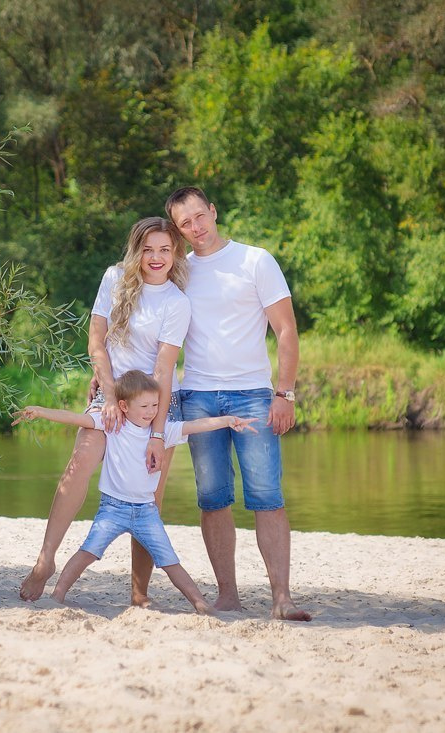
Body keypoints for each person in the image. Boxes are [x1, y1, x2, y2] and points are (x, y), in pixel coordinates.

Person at [18, 217, 191, 606]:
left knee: (149, 500)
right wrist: (109, 393)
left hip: (156, 405)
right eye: (148, 249)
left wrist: (159, 433)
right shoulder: (114, 278)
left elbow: (164, 370)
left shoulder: (177, 303)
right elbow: (97, 341)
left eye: (165, 249)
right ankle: (46, 562)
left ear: (176, 252)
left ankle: (139, 592)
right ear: (136, 251)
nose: (156, 257)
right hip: (112, 395)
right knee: (78, 467)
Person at [164, 186, 312, 621]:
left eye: (199, 216)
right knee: (212, 498)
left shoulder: (255, 260)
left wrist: (284, 393)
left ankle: (282, 598)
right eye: (184, 224)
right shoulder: (180, 272)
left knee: (267, 495)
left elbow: (286, 330)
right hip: (199, 397)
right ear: (178, 230)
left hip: (252, 394)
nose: (196, 228)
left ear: (213, 210)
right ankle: (227, 595)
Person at [13, 369, 257, 613]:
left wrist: (227, 421)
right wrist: (41, 412)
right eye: (145, 406)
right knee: (87, 553)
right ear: (124, 406)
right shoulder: (111, 425)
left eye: (155, 405)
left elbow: (194, 426)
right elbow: (76, 419)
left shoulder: (161, 433)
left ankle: (200, 604)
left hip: (146, 513)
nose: (151, 412)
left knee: (170, 561)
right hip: (112, 509)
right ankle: (57, 596)